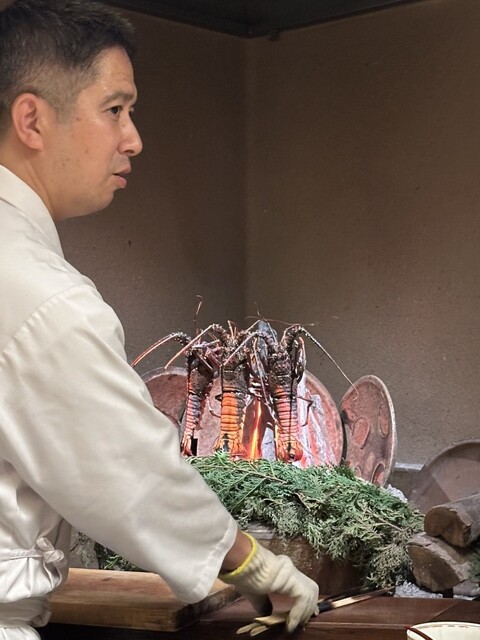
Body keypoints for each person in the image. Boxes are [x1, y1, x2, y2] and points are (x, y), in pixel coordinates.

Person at [0, 1, 319, 638]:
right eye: (115, 109)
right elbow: (127, 469)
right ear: (32, 119)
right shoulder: (38, 292)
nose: (133, 138)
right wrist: (255, 564)